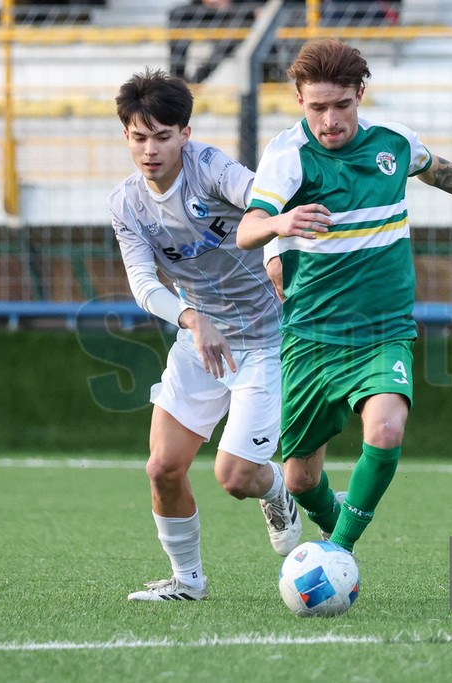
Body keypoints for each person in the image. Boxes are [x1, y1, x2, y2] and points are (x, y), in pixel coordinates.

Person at [237, 38, 452, 557]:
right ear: (299, 100)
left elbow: (437, 170)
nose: (330, 120)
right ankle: (332, 528)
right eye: (317, 107)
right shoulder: (287, 156)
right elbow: (246, 230)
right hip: (311, 337)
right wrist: (279, 222)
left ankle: (339, 552)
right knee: (299, 480)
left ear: (360, 94)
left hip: (382, 331)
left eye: (341, 105)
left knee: (386, 430)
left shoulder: (392, 143)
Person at [108, 68, 301, 601]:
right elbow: (143, 283)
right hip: (201, 340)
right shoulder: (125, 203)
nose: (150, 150)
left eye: (162, 136)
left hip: (267, 340)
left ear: (185, 134)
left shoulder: (211, 169)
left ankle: (275, 488)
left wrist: (278, 247)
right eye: (139, 137)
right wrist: (192, 319)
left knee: (235, 477)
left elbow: (265, 203)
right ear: (126, 136)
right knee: (162, 467)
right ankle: (187, 581)